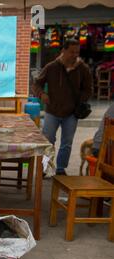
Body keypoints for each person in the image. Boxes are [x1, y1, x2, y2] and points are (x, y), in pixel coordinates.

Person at [33, 38, 93, 176]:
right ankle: (46, 167)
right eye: (71, 52)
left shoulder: (83, 69)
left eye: (77, 52)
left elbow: (88, 89)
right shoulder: (51, 67)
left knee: (67, 143)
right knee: (48, 141)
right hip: (52, 111)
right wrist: (42, 94)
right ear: (63, 51)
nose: (74, 55)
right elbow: (36, 84)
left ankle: (60, 168)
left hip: (71, 113)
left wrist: (80, 100)